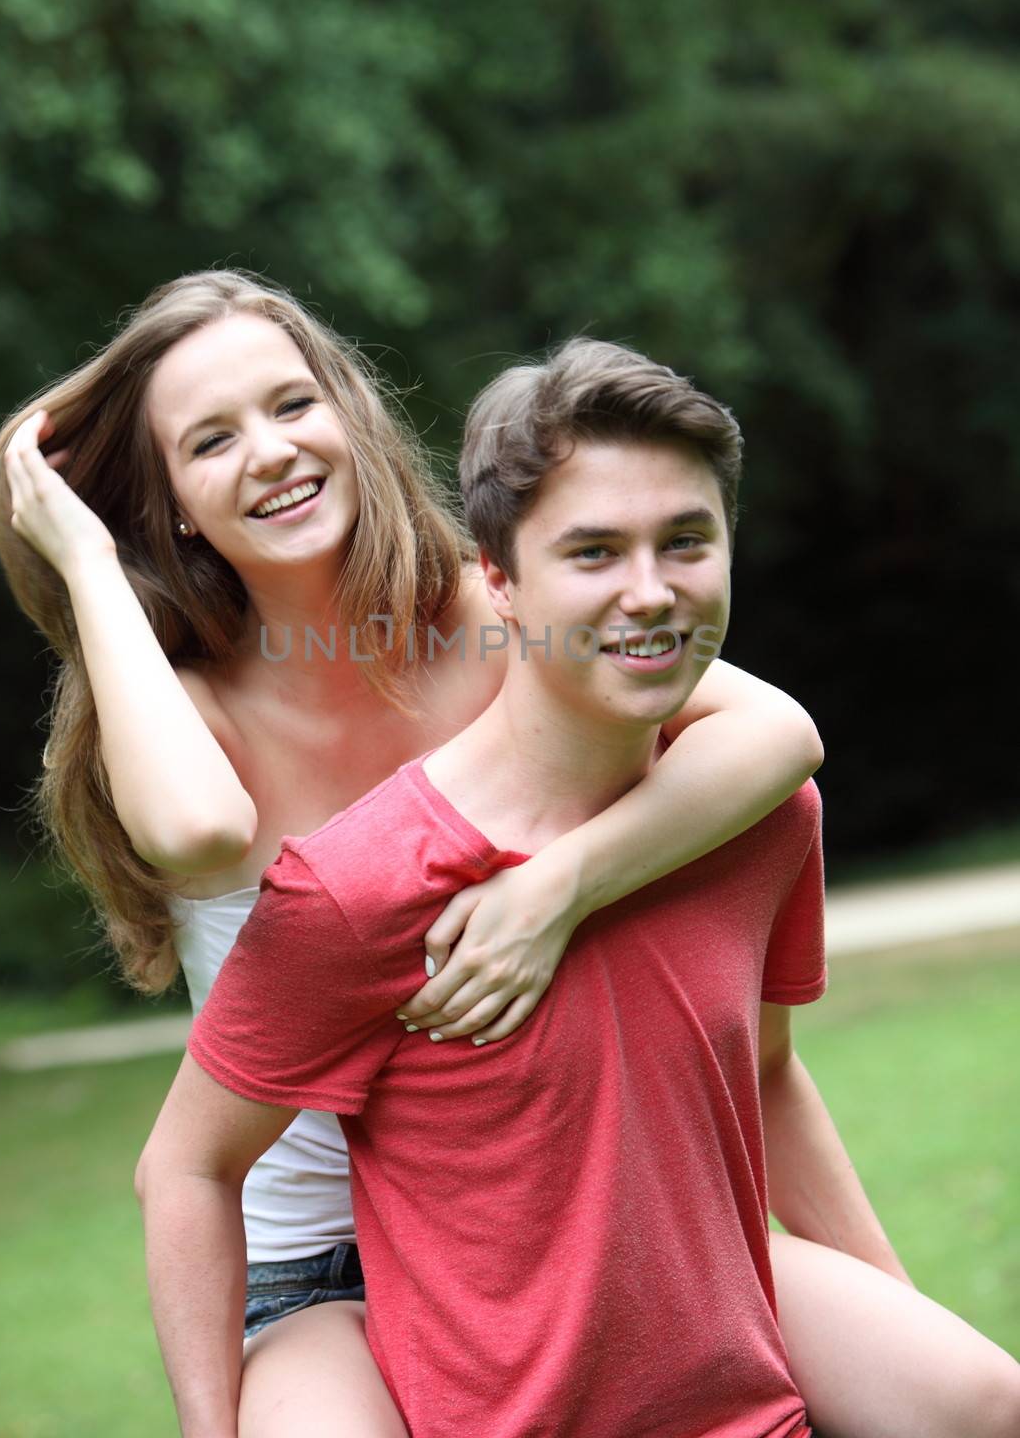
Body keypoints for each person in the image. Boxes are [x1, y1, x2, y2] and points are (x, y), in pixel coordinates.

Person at [0, 271, 833, 1433]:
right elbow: (198, 831)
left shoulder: (490, 621)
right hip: (315, 1271)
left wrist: (557, 886)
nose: (271, 452)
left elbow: (779, 735)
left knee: (964, 1396)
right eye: (212, 439)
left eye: (292, 405)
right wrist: (87, 563)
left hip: (530, 1229)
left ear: (350, 412)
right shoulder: (179, 719)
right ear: (174, 500)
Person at [136, 336, 1020, 1438]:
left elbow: (766, 1069)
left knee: (984, 1402)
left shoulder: (758, 815)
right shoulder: (355, 887)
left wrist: (899, 1312)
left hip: (706, 1335)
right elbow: (185, 1165)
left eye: (685, 542)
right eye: (594, 552)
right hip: (383, 1316)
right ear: (497, 585)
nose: (648, 595)